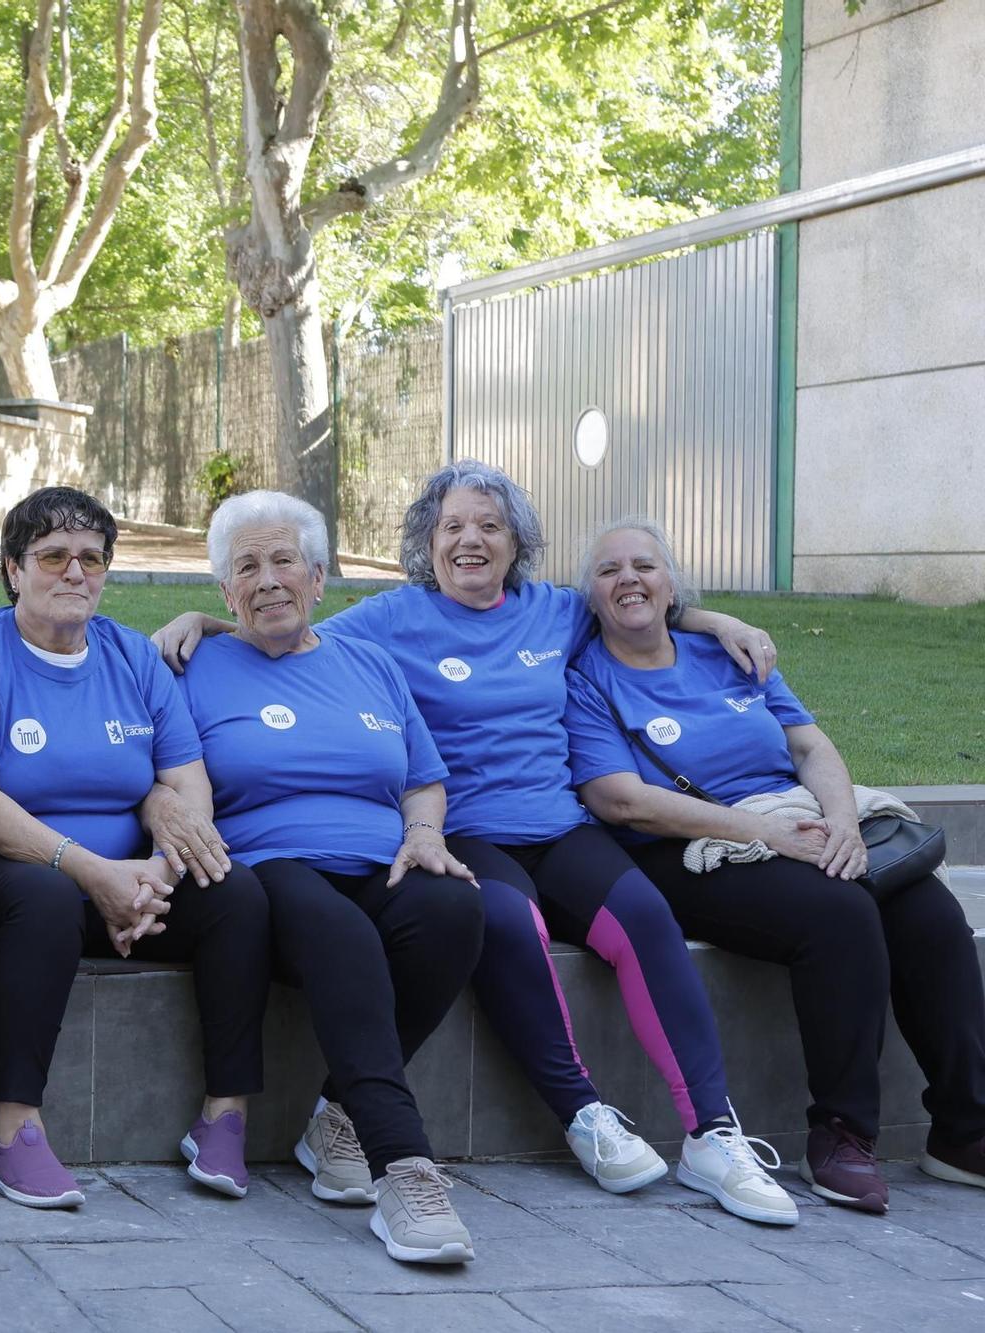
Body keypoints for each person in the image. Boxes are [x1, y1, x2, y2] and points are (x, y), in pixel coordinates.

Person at [155, 461, 797, 1225]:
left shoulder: (555, 611)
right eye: (453, 525)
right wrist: (202, 621)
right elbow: (284, 627)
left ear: (515, 541)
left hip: (556, 826)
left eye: (489, 524)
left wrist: (716, 621)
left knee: (645, 918)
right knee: (500, 921)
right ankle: (574, 1113)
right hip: (463, 836)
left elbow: (635, 604)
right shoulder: (390, 621)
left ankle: (712, 1133)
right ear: (427, 542)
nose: (471, 539)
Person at [565, 517, 985, 1215]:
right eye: (609, 571)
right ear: (592, 596)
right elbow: (622, 801)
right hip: (686, 850)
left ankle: (964, 1129)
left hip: (792, 819)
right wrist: (763, 832)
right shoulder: (589, 680)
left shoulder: (728, 653)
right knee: (840, 912)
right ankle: (843, 1134)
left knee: (930, 912)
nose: (629, 579)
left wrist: (845, 824)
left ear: (673, 586)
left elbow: (812, 748)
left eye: (645, 565)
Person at [0, 486, 272, 1210]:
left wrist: (160, 874)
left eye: (90, 558)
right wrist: (94, 872)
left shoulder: (131, 659)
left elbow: (187, 783)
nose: (74, 572)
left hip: (127, 885)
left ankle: (225, 1116)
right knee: (45, 895)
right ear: (14, 570)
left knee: (235, 892)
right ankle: (14, 1133)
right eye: (52, 556)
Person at [165, 490, 484, 1263]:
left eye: (285, 562)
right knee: (341, 933)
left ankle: (337, 1114)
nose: (269, 580)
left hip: (381, 858)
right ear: (223, 591)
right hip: (266, 869)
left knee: (454, 909)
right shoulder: (190, 663)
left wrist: (424, 832)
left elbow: (423, 778)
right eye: (248, 566)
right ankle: (404, 1168)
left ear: (319, 577)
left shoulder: (370, 665)